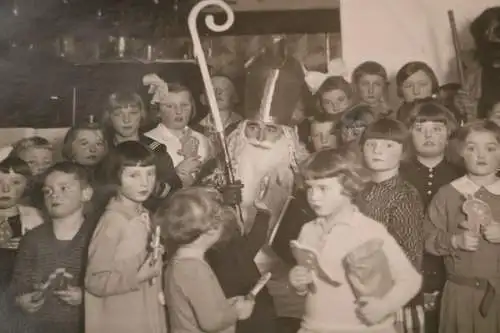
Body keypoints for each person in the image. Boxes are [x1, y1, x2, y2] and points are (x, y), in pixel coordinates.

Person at [200, 43, 310, 333]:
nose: (260, 137)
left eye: (271, 129)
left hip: (291, 286)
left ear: (286, 136)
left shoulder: (306, 178)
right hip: (231, 284)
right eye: (253, 127)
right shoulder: (216, 171)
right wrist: (220, 203)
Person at [289, 148, 422, 333]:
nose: (314, 197)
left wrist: (385, 306)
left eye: (323, 188)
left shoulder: (368, 230)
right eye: (310, 188)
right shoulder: (308, 230)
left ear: (348, 187)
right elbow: (311, 286)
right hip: (314, 327)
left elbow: (411, 279)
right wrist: (299, 283)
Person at [425, 120, 500, 333]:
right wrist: (454, 241)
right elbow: (427, 236)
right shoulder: (447, 194)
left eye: (490, 148)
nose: (481, 155)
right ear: (460, 153)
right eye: (471, 148)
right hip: (460, 295)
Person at [84, 141, 166, 333]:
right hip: (122, 318)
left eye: (150, 173)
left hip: (145, 311)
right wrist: (137, 276)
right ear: (115, 177)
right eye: (133, 175)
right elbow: (94, 281)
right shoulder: (113, 222)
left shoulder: (143, 213)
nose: (145, 183)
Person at [355, 118, 425, 332]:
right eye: (371, 144)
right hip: (358, 291)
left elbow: (412, 256)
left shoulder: (404, 195)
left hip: (393, 298)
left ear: (404, 152)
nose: (378, 151)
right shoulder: (358, 190)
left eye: (388, 145)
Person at [399, 100, 463, 333]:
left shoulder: (460, 175)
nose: (428, 135)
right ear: (408, 134)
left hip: (450, 272)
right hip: (406, 271)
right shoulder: (396, 174)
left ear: (449, 135)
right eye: (419, 129)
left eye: (437, 129)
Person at [10, 162, 96, 333]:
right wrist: (21, 300)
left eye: (64, 188)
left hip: (83, 326)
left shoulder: (96, 235)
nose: (54, 195)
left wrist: (86, 297)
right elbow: (18, 284)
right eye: (47, 191)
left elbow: (107, 286)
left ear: (86, 193)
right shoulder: (33, 238)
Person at [159, 187, 256, 333]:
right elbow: (211, 322)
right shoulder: (194, 270)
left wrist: (227, 305)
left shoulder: (180, 262)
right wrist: (237, 311)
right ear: (211, 229)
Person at [99, 90, 182, 208]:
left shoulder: (156, 149)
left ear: (141, 115)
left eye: (133, 113)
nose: (126, 120)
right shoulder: (103, 150)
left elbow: (174, 187)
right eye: (118, 114)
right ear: (109, 117)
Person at [144, 74, 211, 188]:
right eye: (170, 106)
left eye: (184, 105)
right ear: (158, 111)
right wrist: (177, 174)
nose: (179, 111)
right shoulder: (148, 141)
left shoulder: (203, 140)